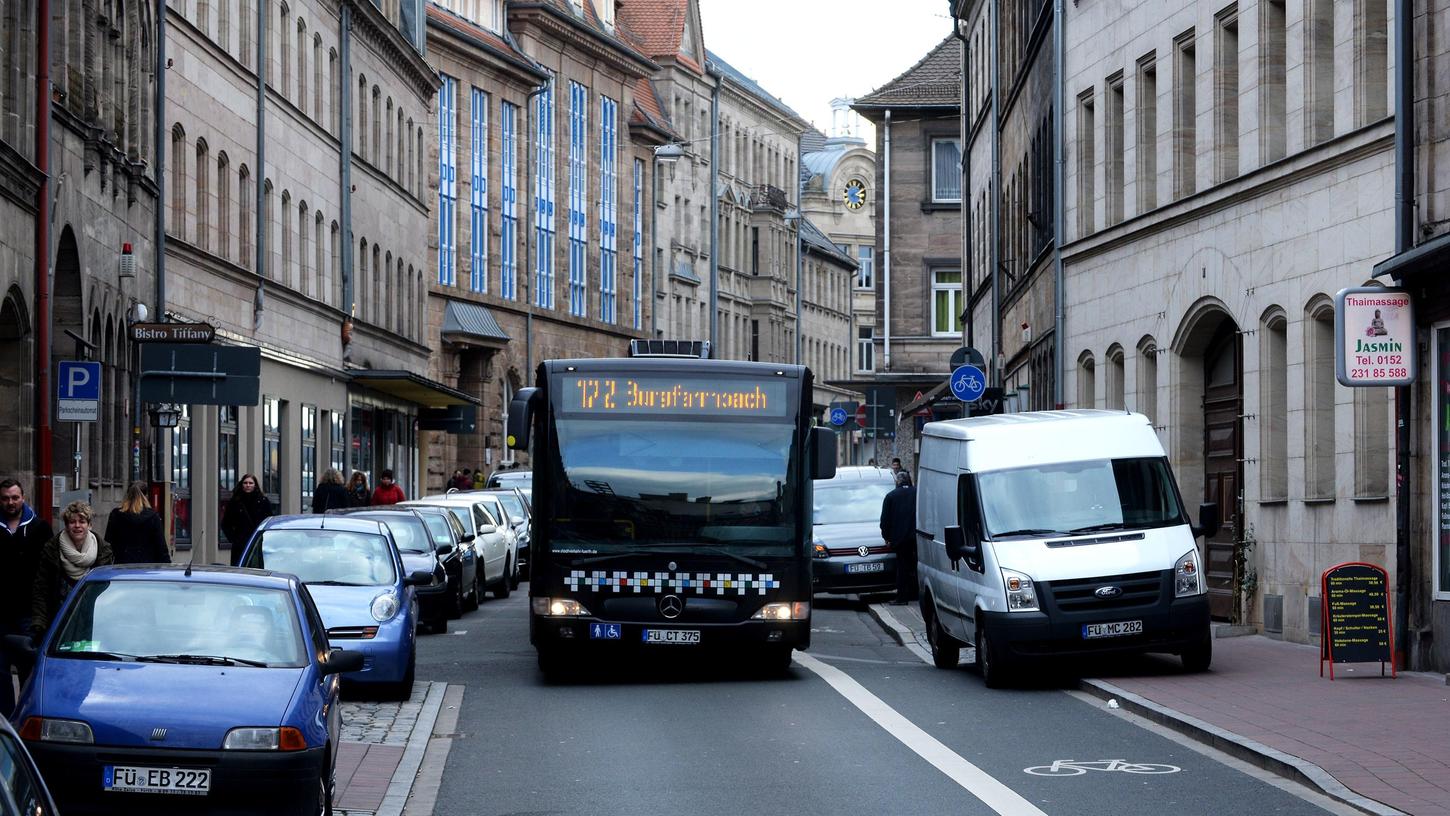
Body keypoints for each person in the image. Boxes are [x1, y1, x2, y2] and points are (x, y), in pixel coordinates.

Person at [2, 479, 53, 717]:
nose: (10, 503)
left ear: (23, 497)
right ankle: (5, 720)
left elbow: (48, 573)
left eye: (14, 497)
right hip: (1, 613)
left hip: (28, 612)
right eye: (5, 498)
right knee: (1, 671)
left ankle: (23, 716)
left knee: (27, 669)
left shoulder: (39, 527)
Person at [30, 501, 114, 640]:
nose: (77, 526)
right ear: (66, 525)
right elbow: (41, 589)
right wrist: (39, 624)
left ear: (89, 525)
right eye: (72, 522)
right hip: (58, 623)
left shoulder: (103, 550)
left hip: (93, 623)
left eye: (82, 521)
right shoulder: (52, 550)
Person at [105, 481, 170, 564]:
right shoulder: (153, 517)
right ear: (146, 496)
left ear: (127, 495)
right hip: (147, 570)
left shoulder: (115, 515)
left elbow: (108, 545)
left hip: (121, 569)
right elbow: (161, 548)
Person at [880, 471, 918, 605]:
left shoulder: (891, 496)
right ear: (909, 480)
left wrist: (887, 537)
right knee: (916, 565)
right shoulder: (917, 493)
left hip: (900, 539)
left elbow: (885, 520)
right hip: (917, 537)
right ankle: (917, 594)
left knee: (902, 568)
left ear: (897, 482)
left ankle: (902, 597)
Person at [222, 474, 272, 566]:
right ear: (242, 485)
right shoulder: (235, 502)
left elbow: (268, 521)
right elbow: (226, 524)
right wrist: (234, 539)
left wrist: (263, 537)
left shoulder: (263, 501)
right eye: (245, 483)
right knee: (239, 567)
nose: (248, 485)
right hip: (239, 543)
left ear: (255, 485)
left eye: (250, 483)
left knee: (255, 567)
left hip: (256, 540)